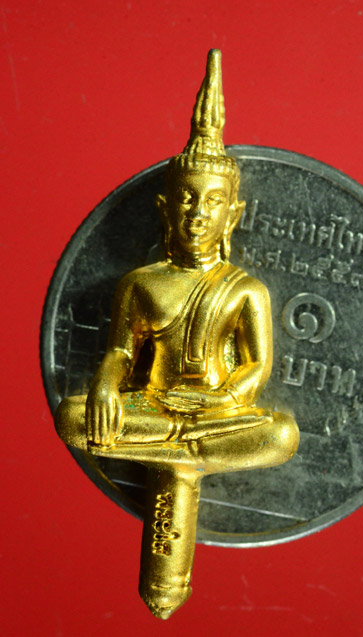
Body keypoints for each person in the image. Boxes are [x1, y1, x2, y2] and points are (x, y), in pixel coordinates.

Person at [55, 50, 299, 475]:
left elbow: (256, 367)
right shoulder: (140, 283)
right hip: (153, 405)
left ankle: (177, 447)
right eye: (187, 198)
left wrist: (224, 398)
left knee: (281, 434)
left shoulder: (246, 290)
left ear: (233, 215)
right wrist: (105, 386)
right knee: (72, 417)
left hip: (216, 412)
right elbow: (120, 352)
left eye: (213, 201)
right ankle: (191, 451)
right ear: (165, 208)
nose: (198, 213)